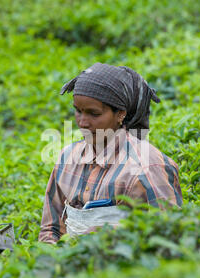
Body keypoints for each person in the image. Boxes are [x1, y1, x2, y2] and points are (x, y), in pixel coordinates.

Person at [39, 62, 183, 244]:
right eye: (78, 111)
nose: (82, 122)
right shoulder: (67, 158)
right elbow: (50, 229)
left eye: (94, 113)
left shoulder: (146, 168)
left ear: (120, 114)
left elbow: (170, 236)